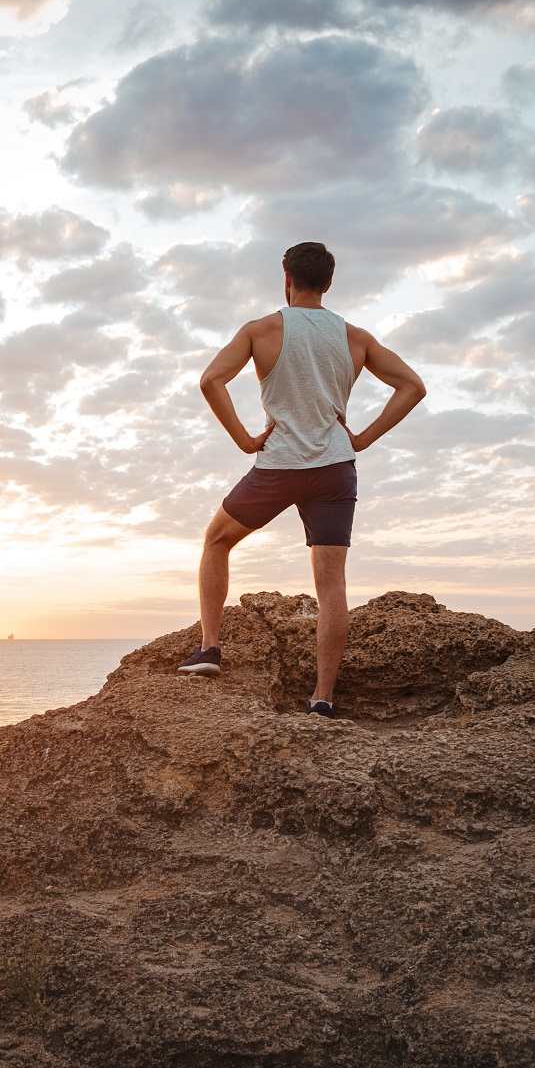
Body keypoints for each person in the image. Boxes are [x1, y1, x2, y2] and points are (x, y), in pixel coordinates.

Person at [176, 242, 426, 717]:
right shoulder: (356, 337)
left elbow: (211, 380)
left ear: (285, 278)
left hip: (278, 467)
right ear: (328, 283)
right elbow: (413, 385)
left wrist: (246, 440)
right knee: (331, 586)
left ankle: (210, 649)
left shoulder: (262, 329)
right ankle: (323, 698)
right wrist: (364, 438)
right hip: (335, 469)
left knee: (216, 541)